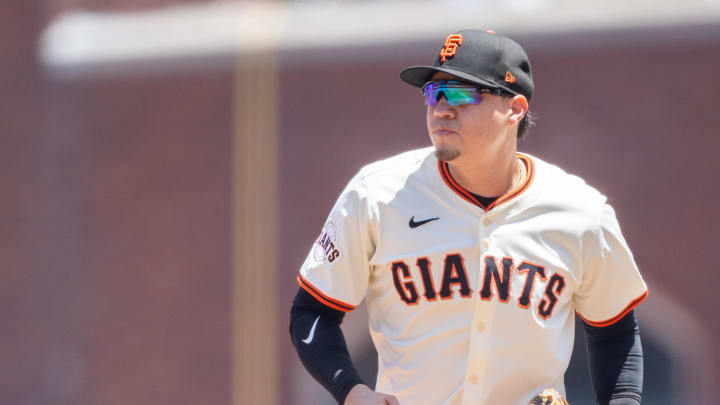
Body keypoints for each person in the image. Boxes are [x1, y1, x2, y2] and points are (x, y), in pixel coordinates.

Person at [289, 29, 647, 405]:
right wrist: (351, 391)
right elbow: (312, 312)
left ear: (515, 109)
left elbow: (615, 330)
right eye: (433, 92)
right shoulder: (377, 195)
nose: (441, 107)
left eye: (462, 92)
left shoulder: (580, 212)